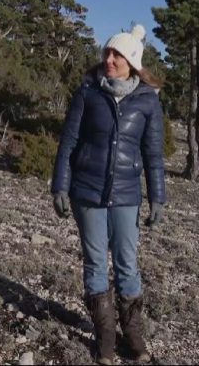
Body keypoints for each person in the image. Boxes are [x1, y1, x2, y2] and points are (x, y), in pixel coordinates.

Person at [51, 24, 166, 365]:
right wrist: (60, 184)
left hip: (128, 195)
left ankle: (134, 339)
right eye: (107, 53)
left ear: (132, 61)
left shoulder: (147, 101)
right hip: (86, 192)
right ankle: (104, 344)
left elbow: (154, 154)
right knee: (96, 263)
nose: (109, 59)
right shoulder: (88, 92)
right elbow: (68, 142)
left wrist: (158, 196)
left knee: (128, 266)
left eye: (117, 54)